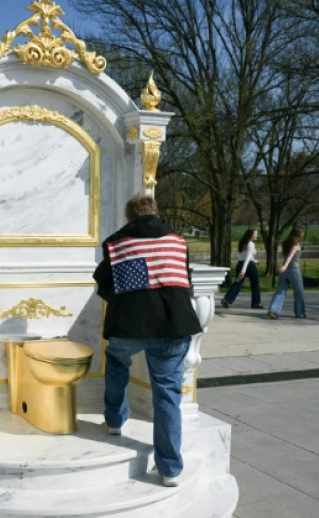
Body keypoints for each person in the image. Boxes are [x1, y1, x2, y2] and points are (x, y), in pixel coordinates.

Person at [93, 194, 202, 488]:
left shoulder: (117, 243)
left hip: (129, 324)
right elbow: (184, 279)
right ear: (155, 212)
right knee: (167, 394)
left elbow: (104, 283)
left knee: (116, 361)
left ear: (129, 217)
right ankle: (170, 470)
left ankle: (115, 421)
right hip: (174, 323)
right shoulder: (177, 241)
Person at [267, 227, 306, 319]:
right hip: (294, 270)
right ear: (299, 235)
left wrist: (283, 266)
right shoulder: (296, 245)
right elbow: (290, 256)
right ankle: (299, 312)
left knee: (280, 291)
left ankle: (273, 310)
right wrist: (285, 266)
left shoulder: (287, 244)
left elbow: (284, 255)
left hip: (284, 272)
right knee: (299, 291)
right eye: (302, 234)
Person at [221, 229, 263, 309]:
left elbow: (245, 256)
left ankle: (226, 299)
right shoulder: (251, 244)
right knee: (255, 284)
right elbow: (247, 258)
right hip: (249, 266)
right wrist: (243, 271)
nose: (257, 236)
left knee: (238, 283)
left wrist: (255, 260)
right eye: (255, 234)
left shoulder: (243, 243)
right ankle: (255, 303)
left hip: (240, 264)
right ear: (251, 235)